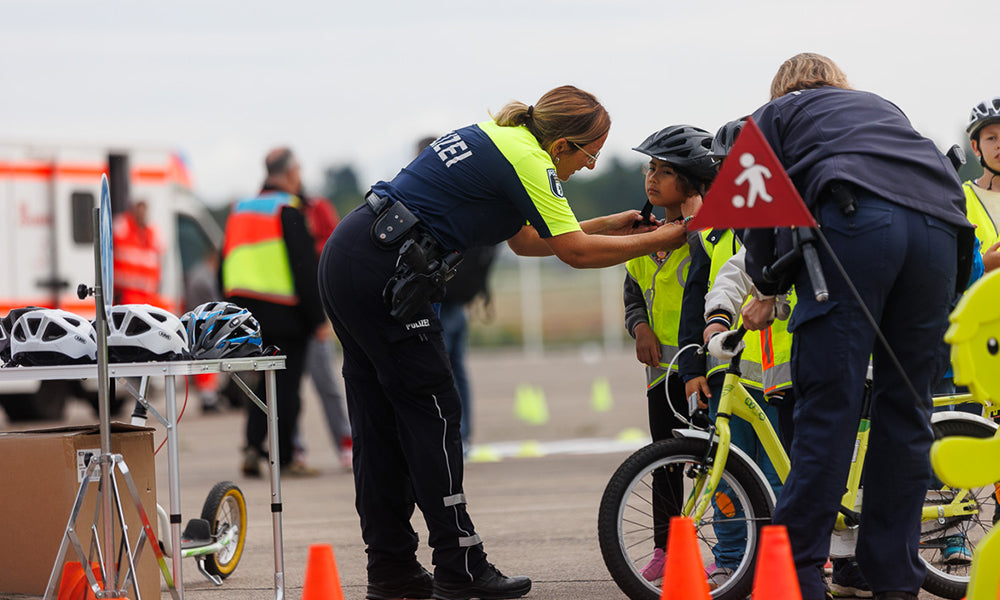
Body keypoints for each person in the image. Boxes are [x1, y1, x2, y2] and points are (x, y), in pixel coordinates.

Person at [317, 85, 691, 600]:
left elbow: (529, 241)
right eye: (590, 154)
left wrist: (618, 226)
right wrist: (666, 237)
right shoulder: (529, 160)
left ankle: (392, 571)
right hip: (386, 270)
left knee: (380, 423)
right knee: (435, 414)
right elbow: (576, 255)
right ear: (562, 145)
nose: (587, 167)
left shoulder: (502, 140)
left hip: (353, 256)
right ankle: (460, 564)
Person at [737, 53, 973, 600]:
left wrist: (767, 288)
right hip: (942, 233)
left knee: (829, 409)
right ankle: (892, 579)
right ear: (839, 83)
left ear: (781, 89)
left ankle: (795, 578)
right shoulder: (881, 108)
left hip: (859, 223)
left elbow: (754, 207)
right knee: (907, 411)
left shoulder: (774, 115)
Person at [620, 124, 717, 584]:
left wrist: (697, 223)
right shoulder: (646, 236)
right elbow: (632, 291)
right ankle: (666, 548)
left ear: (695, 181)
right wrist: (638, 326)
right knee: (664, 463)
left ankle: (732, 544)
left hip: (704, 370)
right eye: (650, 168)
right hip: (660, 373)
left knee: (712, 464)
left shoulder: (709, 235)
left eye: (665, 171)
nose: (652, 178)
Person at [222, 147, 325, 478]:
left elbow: (224, 263)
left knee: (259, 385)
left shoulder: (239, 209)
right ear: (290, 171)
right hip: (286, 314)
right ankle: (285, 460)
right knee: (287, 389)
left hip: (244, 315)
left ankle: (252, 448)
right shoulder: (287, 208)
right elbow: (304, 268)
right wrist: (318, 318)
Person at [299, 194, 354, 469]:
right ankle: (295, 447)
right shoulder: (280, 210)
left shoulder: (315, 206)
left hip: (312, 311)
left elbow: (334, 243)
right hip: (288, 314)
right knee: (287, 388)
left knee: (327, 383)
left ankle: (346, 441)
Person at [183, 247, 225, 412]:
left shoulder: (197, 272)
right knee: (207, 363)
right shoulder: (205, 276)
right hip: (203, 325)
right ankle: (208, 397)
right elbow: (215, 300)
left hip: (196, 323)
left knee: (202, 363)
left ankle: (208, 395)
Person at [112, 198, 164, 307]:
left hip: (148, 299)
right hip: (127, 299)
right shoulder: (122, 229)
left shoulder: (151, 234)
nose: (141, 215)